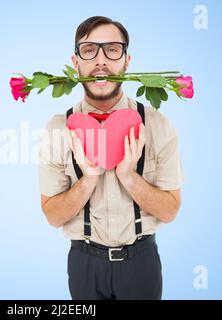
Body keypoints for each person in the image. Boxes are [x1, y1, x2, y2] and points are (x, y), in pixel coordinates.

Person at [38, 16, 184, 300]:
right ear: (76, 61)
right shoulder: (58, 128)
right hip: (84, 264)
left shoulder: (157, 125)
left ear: (126, 61)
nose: (100, 61)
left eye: (112, 50)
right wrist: (88, 178)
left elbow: (170, 211)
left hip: (141, 263)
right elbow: (53, 216)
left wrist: (129, 177)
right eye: (89, 50)